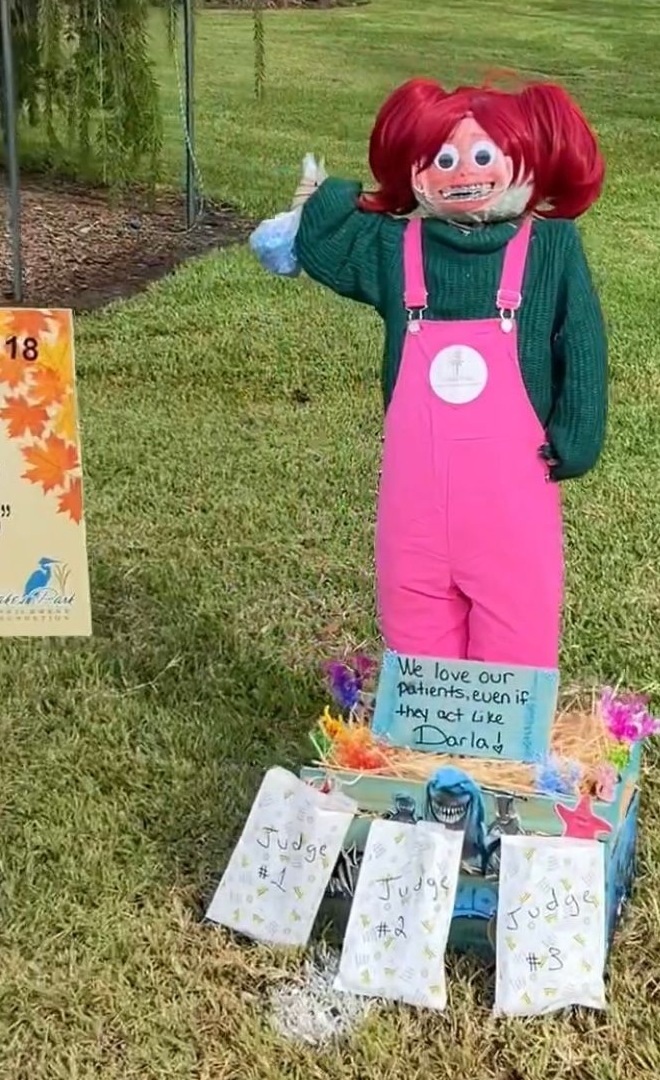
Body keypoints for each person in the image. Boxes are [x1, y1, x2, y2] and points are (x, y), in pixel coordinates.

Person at [250, 77, 607, 670]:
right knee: (416, 634)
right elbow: (329, 241)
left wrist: (579, 431)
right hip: (414, 502)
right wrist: (330, 197)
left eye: (484, 155)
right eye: (441, 158)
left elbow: (583, 341)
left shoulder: (551, 247)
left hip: (512, 497)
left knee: (517, 628)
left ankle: (502, 753)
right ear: (414, 171)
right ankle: (421, 746)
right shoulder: (397, 246)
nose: (463, 170)